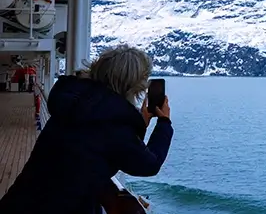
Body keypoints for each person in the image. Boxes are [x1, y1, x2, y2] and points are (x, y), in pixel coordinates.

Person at [0, 45, 173, 214]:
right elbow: (149, 164)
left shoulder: (74, 105)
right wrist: (164, 123)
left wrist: (137, 124)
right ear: (133, 87)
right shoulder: (114, 126)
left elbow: (102, 147)